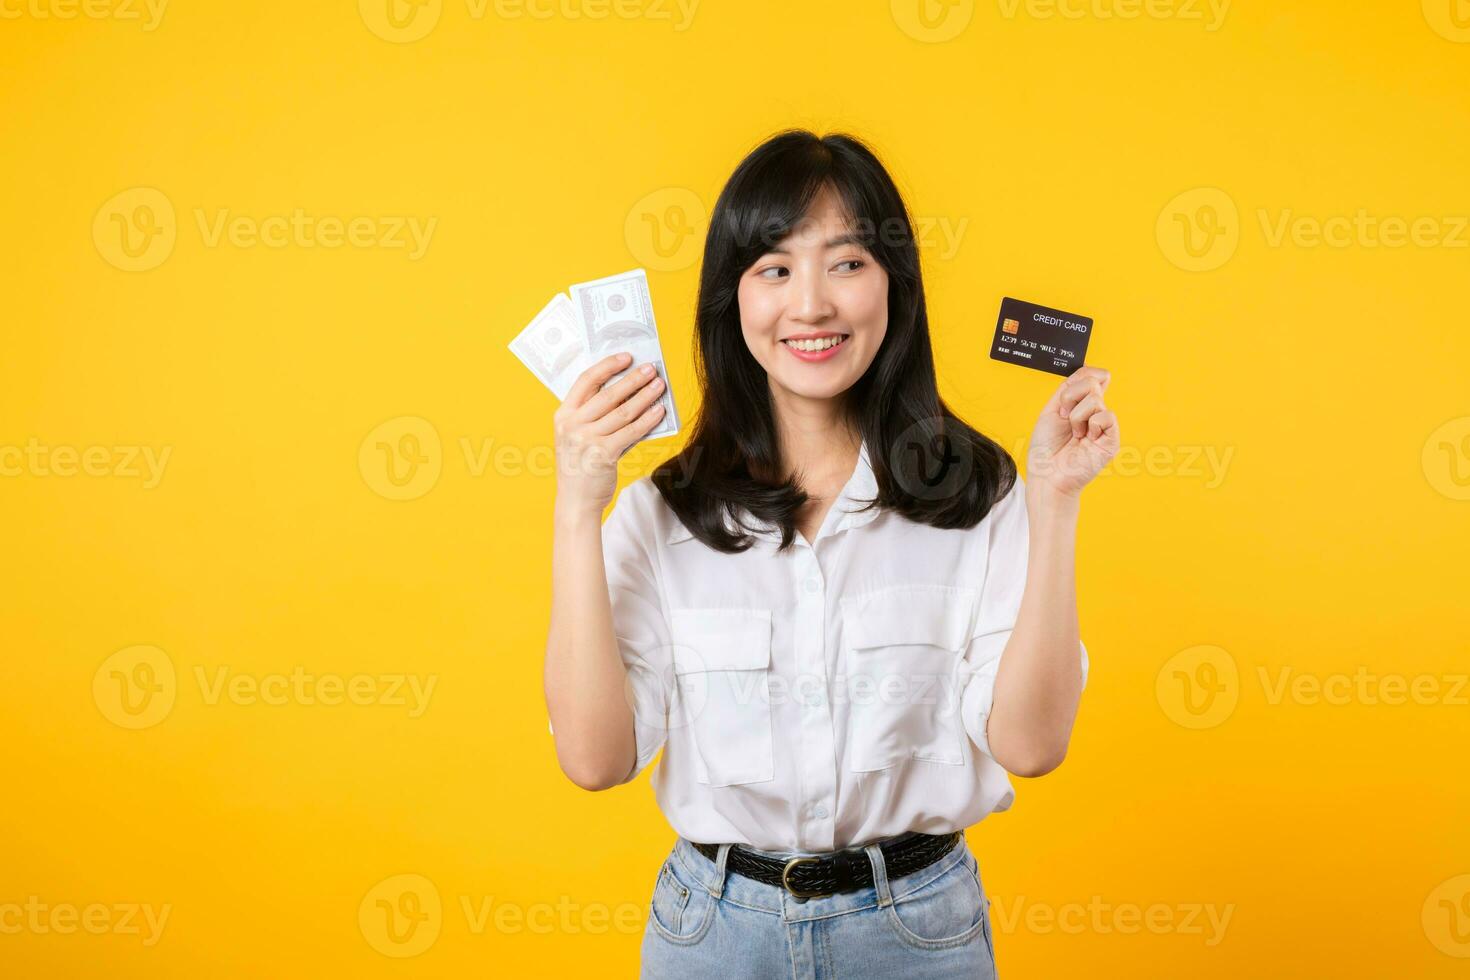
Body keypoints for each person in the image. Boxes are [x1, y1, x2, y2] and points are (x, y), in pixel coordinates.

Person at [543, 129, 1119, 979]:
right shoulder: (661, 515)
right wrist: (576, 507)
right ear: (729, 300)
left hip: (917, 935)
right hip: (711, 937)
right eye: (773, 268)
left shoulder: (982, 495)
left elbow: (1031, 746)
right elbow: (596, 761)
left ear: (896, 288)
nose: (810, 305)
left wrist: (1056, 501)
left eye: (846, 263)